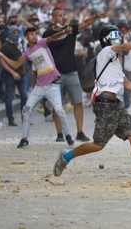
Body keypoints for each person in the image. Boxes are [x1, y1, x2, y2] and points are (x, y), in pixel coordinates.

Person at [53, 25, 131, 184]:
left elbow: (127, 84)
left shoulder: (115, 62)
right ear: (107, 39)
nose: (120, 37)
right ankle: (66, 156)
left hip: (117, 105)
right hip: (106, 105)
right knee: (98, 145)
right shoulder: (105, 52)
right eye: (116, 34)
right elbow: (124, 46)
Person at [0, 27, 75, 148]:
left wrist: (63, 32)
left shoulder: (42, 43)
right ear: (27, 37)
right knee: (26, 110)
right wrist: (1, 55)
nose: (34, 36)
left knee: (59, 110)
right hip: (39, 86)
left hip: (53, 85)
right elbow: (15, 64)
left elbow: (53, 37)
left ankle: (68, 135)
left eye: (35, 33)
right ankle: (24, 138)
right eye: (31, 34)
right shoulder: (27, 52)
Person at [42, 8, 105, 142]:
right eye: (60, 16)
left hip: (71, 72)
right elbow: (49, 41)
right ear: (53, 18)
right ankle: (60, 134)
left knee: (78, 102)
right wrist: (64, 31)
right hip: (55, 75)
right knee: (56, 105)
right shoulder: (47, 33)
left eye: (63, 15)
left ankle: (80, 132)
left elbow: (85, 23)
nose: (63, 18)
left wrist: (96, 16)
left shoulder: (70, 30)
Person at [0, 26, 29, 126]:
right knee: (9, 98)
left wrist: (23, 70)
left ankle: (24, 118)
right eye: (14, 32)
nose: (16, 34)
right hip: (9, 75)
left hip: (22, 74)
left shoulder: (20, 43)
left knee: (24, 96)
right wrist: (13, 73)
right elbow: (2, 62)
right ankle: (10, 118)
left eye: (17, 32)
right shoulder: (5, 46)